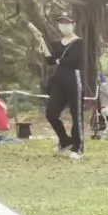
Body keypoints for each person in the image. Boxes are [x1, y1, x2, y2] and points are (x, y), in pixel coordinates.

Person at [31, 13, 85, 160]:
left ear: (73, 25)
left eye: (67, 23)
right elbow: (50, 60)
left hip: (73, 79)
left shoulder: (78, 42)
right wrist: (41, 41)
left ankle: (78, 147)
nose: (64, 26)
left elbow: (74, 60)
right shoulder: (56, 44)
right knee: (51, 113)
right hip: (58, 81)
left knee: (76, 115)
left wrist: (58, 60)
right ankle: (65, 140)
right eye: (61, 23)